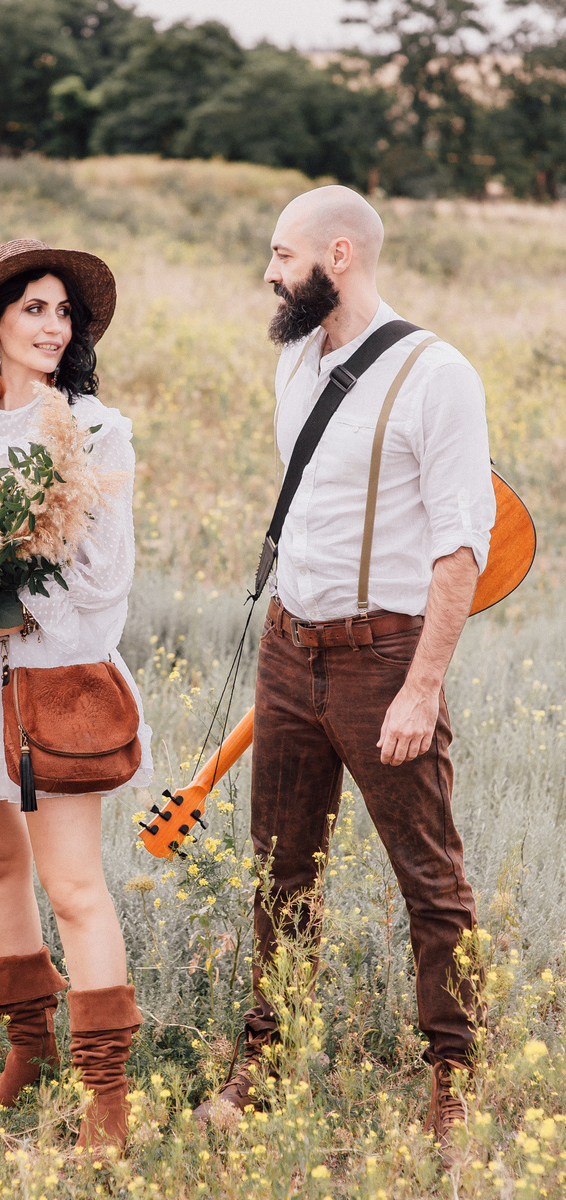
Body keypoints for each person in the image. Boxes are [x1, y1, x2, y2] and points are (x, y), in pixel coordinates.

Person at [193, 188, 495, 1163]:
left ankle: (454, 1078)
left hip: (382, 656)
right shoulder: (292, 357)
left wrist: (418, 685)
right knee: (280, 873)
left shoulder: (435, 373)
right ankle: (266, 1065)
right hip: (290, 647)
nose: (268, 274)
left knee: (427, 876)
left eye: (280, 254)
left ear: (337, 253)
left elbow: (459, 547)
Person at [0, 239, 153, 1155]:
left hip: (57, 688)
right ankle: (28, 1053)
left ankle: (107, 1094)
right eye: (35, 310)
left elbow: (102, 583)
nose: (54, 327)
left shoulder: (93, 431)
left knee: (75, 884)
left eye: (64, 313)